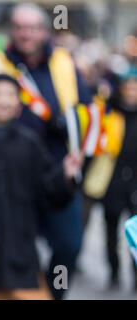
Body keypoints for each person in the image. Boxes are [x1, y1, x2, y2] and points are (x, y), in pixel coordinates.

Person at [0, 3, 93, 299]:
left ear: (44, 30)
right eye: (20, 27)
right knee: (11, 246)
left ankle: (53, 293)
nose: (26, 34)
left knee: (69, 244)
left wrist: (77, 142)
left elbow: (86, 108)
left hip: (56, 169)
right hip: (11, 173)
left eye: (32, 27)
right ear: (12, 31)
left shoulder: (64, 62)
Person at [0, 74, 82, 300]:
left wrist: (65, 175)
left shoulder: (30, 142)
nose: (4, 100)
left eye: (10, 95)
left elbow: (49, 188)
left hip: (20, 244)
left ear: (19, 104)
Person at [84, 66, 137, 290]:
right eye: (129, 87)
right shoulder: (108, 112)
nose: (132, 92)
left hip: (135, 181)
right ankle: (114, 273)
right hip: (112, 180)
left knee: (135, 234)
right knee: (111, 230)